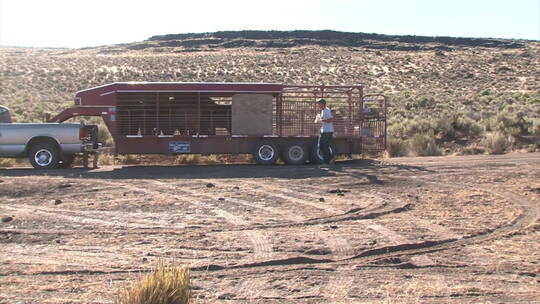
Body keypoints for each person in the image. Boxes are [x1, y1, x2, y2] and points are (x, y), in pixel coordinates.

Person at [316, 99, 334, 165]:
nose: (318, 105)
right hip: (323, 131)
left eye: (319, 104)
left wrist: (322, 120)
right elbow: (323, 120)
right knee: (320, 146)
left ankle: (328, 161)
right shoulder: (323, 111)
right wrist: (319, 119)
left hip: (328, 131)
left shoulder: (327, 110)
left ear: (323, 104)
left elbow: (331, 119)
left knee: (325, 146)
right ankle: (329, 159)